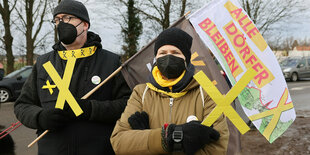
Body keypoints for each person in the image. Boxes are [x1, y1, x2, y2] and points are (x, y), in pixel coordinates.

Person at [14, 0, 131, 154]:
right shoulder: (43, 63)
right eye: (57, 19)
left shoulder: (111, 62)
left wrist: (91, 109)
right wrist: (40, 117)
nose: (61, 23)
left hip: (99, 150)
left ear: (85, 24)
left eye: (68, 18)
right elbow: (22, 105)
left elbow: (127, 106)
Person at [111, 27, 229, 155]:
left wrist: (148, 140)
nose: (168, 57)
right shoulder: (141, 93)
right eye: (162, 53)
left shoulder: (205, 93)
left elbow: (217, 148)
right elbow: (119, 142)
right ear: (156, 58)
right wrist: (167, 137)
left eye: (175, 52)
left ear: (186, 59)